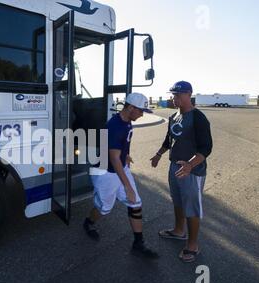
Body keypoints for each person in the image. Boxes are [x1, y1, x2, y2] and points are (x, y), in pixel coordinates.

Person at [84, 93, 159, 260]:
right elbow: (113, 158)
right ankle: (89, 222)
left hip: (119, 166)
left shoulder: (127, 122)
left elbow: (121, 148)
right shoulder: (115, 126)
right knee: (104, 209)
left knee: (136, 203)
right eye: (141, 111)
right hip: (105, 172)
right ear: (130, 107)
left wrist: (126, 155)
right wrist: (127, 186)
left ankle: (138, 243)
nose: (142, 114)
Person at [150, 81, 213, 263]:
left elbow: (206, 147)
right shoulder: (173, 117)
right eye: (173, 95)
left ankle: (192, 245)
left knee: (192, 207)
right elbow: (169, 139)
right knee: (177, 201)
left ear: (189, 94)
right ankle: (179, 231)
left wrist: (190, 165)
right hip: (175, 167)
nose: (174, 98)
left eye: (178, 95)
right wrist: (158, 155)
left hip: (192, 170)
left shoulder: (199, 118)